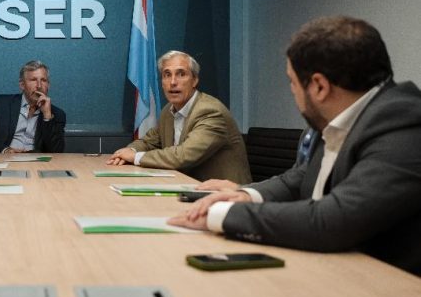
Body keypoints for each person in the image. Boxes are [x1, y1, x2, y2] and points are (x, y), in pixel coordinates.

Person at [169, 16, 421, 276]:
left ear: (320, 87)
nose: (292, 91)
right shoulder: (344, 117)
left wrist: (224, 215)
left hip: (387, 285)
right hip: (334, 269)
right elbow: (300, 177)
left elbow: (333, 221)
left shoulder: (403, 123)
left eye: (292, 81)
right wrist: (247, 195)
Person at [107, 51, 251, 184]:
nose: (173, 82)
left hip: (224, 196)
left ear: (194, 80)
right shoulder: (168, 111)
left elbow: (183, 156)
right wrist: (129, 152)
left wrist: (135, 157)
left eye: (181, 74)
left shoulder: (210, 112)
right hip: (186, 187)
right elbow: (148, 142)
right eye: (167, 75)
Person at [0, 60, 66, 153]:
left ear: (48, 85)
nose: (39, 86)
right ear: (22, 85)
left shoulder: (57, 114)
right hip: (5, 158)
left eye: (43, 80)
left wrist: (47, 116)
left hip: (36, 160)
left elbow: (56, 151)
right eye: (33, 80)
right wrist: (5, 150)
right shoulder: (1, 103)